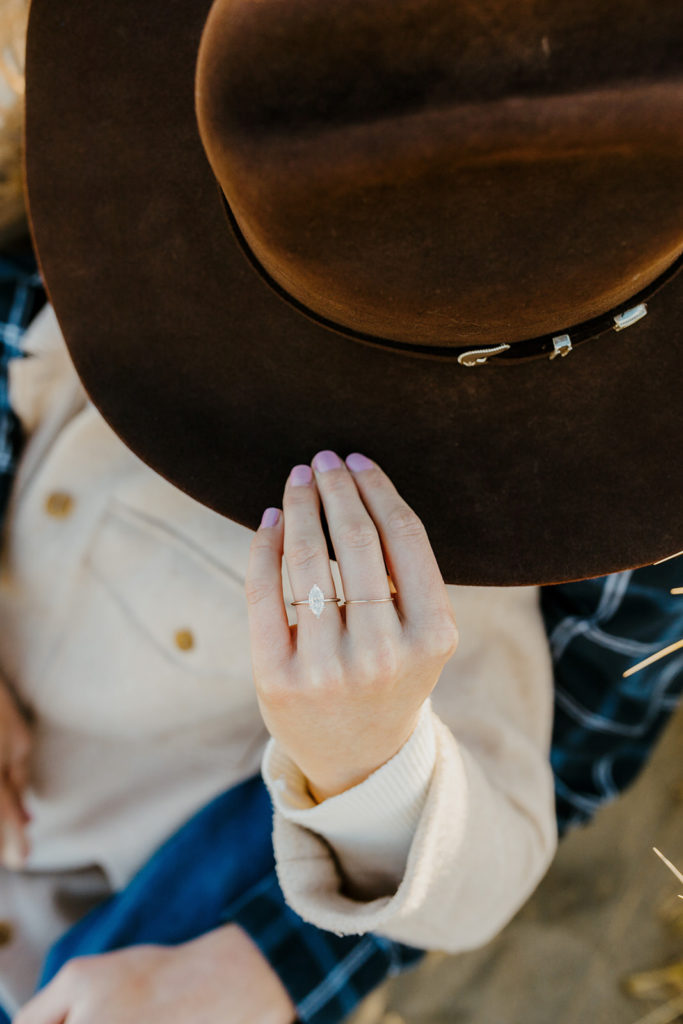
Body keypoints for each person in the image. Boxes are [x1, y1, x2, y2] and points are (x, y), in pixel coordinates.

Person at [1, 1, 682, 1022]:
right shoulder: (102, 279)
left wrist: (366, 756)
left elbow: (492, 840)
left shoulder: (465, 553)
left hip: (99, 951)